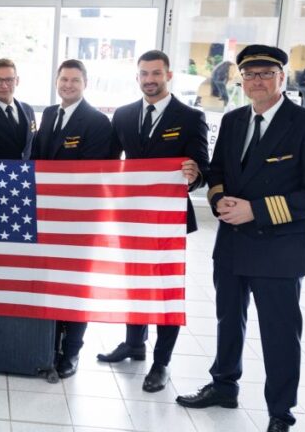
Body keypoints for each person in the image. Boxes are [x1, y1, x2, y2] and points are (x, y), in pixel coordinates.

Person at [176, 45, 305, 432]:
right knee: (228, 320)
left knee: (279, 333)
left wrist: (256, 210)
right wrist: (218, 200)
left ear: (282, 78)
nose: (257, 81)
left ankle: (281, 411)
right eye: (250, 75)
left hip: (279, 248)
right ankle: (223, 385)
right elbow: (217, 173)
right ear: (241, 80)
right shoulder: (232, 121)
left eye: (266, 74)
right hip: (232, 243)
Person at [96, 50, 209, 393]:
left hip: (168, 219)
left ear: (168, 75)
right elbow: (109, 163)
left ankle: (162, 362)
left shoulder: (190, 117)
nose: (150, 79)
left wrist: (194, 175)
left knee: (164, 291)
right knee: (134, 283)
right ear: (137, 77)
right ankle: (134, 343)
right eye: (144, 73)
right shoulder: (125, 115)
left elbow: (203, 167)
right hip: (131, 215)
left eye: (156, 73)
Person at [30, 59, 114, 379]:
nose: (67, 85)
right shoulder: (50, 114)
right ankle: (50, 341)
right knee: (51, 282)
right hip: (47, 216)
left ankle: (72, 351)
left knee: (76, 285)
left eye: (74, 80)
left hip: (79, 219)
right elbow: (37, 159)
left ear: (85, 84)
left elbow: (90, 174)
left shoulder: (97, 122)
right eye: (63, 79)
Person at [0, 58, 36, 160]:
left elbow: (33, 145)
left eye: (9, 80)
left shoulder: (28, 110)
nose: (4, 85)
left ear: (17, 81)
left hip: (26, 173)